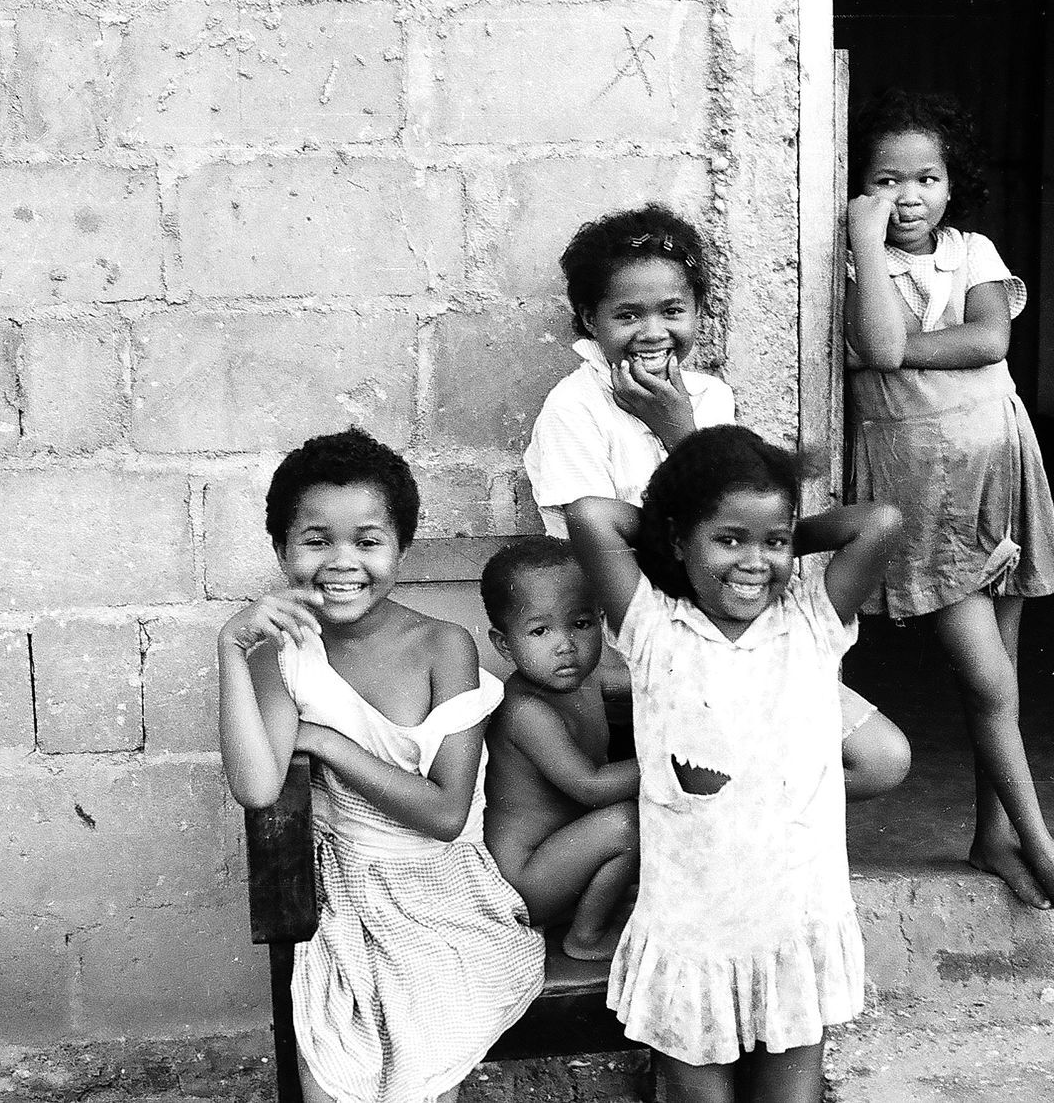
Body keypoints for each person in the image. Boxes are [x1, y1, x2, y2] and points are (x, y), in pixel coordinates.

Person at [523, 202, 912, 802]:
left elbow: (735, 516)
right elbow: (601, 536)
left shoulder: (708, 397)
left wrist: (680, 428)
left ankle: (736, 798)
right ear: (589, 320)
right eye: (628, 314)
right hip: (649, 635)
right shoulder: (573, 409)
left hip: (735, 617)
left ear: (699, 314)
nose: (653, 332)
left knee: (881, 759)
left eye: (672, 311)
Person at [566, 426, 904, 1102]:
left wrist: (774, 532)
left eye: (773, 542)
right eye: (729, 539)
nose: (756, 561)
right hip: (692, 927)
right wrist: (672, 532)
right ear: (681, 539)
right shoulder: (654, 630)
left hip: (793, 921)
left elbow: (882, 522)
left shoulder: (812, 623)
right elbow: (589, 517)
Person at [843, 88, 1054, 933]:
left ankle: (994, 836)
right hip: (921, 492)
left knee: (1008, 675)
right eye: (886, 182)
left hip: (1000, 470)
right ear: (858, 190)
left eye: (926, 179)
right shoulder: (855, 267)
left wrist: (898, 361)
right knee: (986, 680)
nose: (908, 198)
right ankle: (1043, 846)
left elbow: (989, 339)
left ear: (953, 186)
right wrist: (863, 244)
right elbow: (880, 345)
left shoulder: (974, 252)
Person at [217, 429, 543, 1103]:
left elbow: (446, 814)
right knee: (338, 1063)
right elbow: (256, 787)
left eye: (367, 541)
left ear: (400, 549)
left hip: (448, 895)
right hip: (348, 894)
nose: (343, 563)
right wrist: (230, 648)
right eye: (316, 540)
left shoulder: (441, 646)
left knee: (420, 1055)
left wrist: (329, 742)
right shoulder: (278, 659)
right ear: (281, 549)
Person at [479, 536, 640, 962]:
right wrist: (667, 763)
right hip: (524, 881)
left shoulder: (591, 678)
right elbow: (590, 787)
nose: (565, 644)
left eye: (581, 624)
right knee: (630, 821)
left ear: (601, 622)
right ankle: (585, 938)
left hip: (564, 859)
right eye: (540, 630)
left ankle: (596, 906)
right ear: (504, 644)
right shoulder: (526, 710)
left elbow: (654, 687)